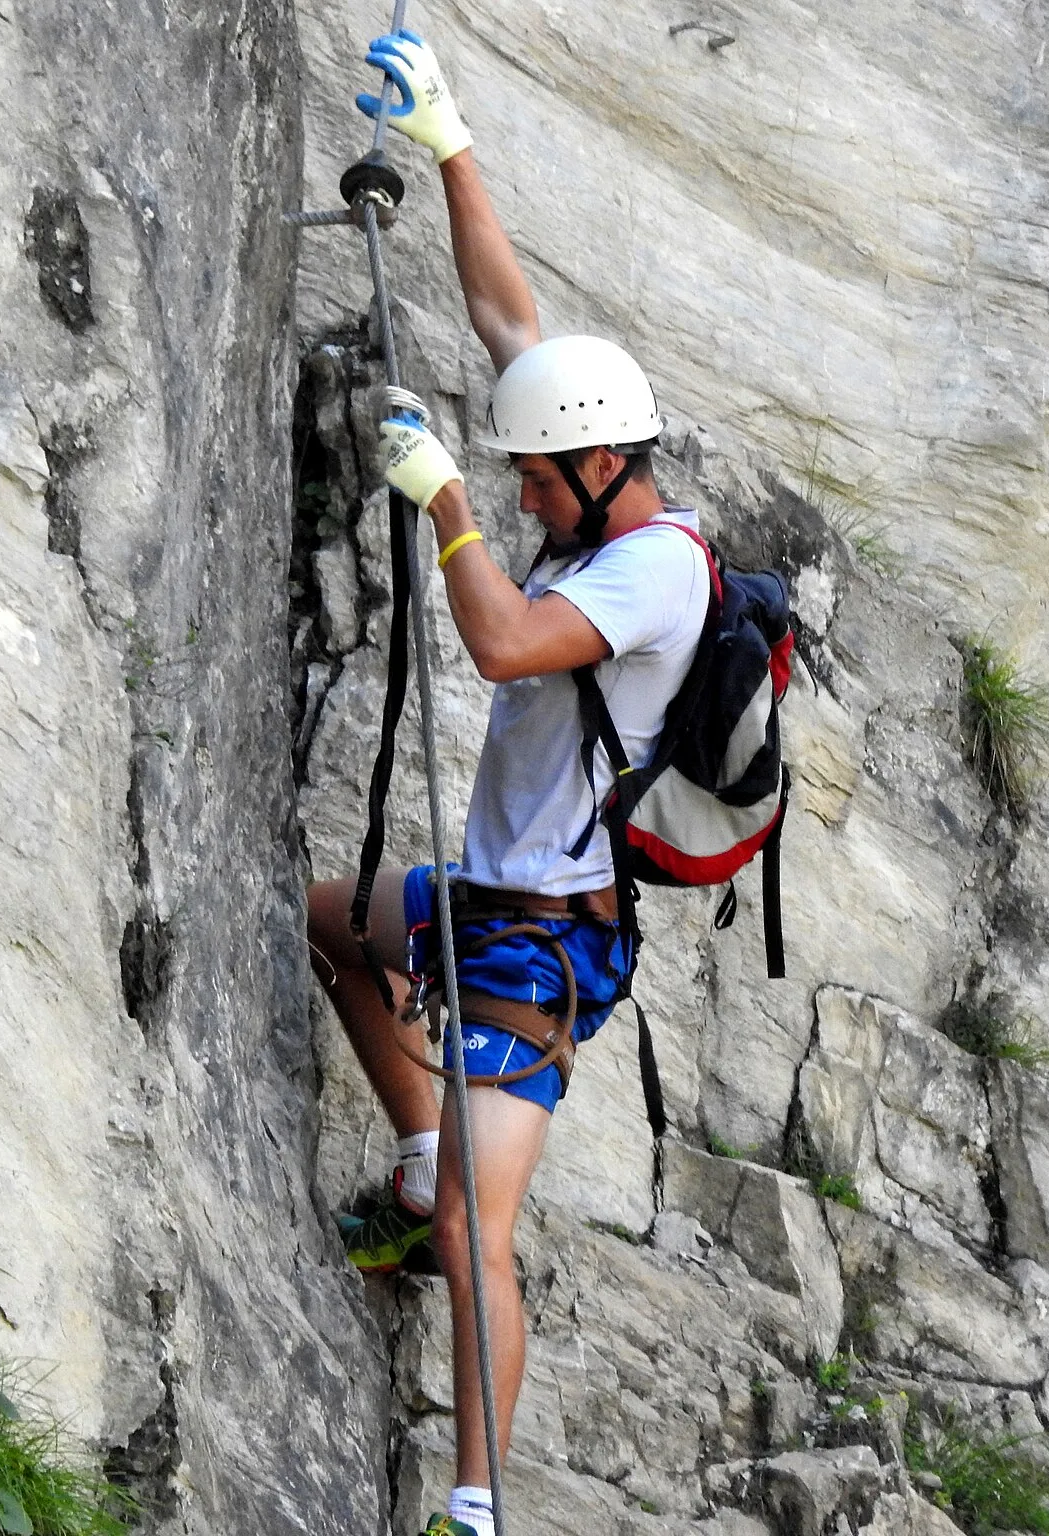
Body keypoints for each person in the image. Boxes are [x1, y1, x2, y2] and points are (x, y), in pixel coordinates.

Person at [305, 29, 713, 1536]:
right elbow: (506, 319)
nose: (530, 490)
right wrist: (453, 143)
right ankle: (413, 1161)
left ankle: (476, 1513)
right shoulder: (598, 493)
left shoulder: (655, 576)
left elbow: (501, 646)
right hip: (487, 896)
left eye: (543, 478)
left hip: (545, 938)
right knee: (332, 923)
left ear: (599, 468)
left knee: (486, 1235)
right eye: (526, 480)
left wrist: (457, 508)